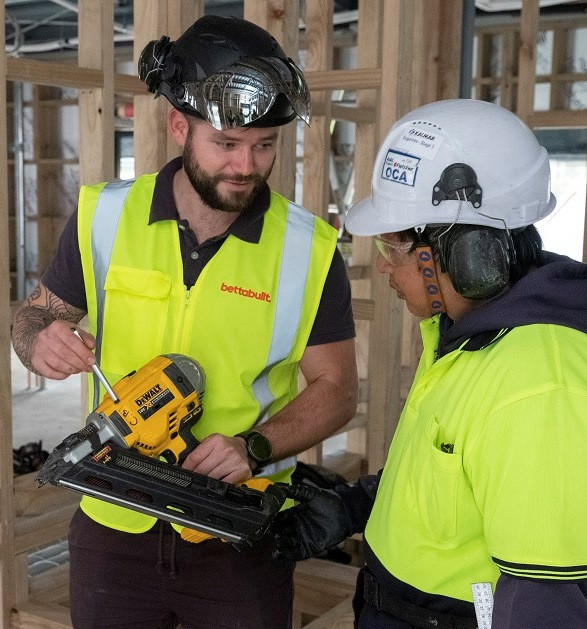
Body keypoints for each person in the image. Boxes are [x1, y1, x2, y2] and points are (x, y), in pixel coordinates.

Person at [11, 15, 358, 629]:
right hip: (114, 526)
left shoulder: (310, 250)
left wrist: (255, 446)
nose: (247, 165)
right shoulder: (103, 218)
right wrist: (40, 341)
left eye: (266, 144)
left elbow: (336, 391)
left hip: (239, 532)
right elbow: (35, 318)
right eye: (227, 143)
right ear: (179, 125)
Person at [271, 99, 587, 628]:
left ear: (469, 254)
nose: (387, 269)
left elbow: (543, 602)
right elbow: (452, 484)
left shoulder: (538, 385)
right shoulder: (463, 336)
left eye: (395, 247)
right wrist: (354, 507)